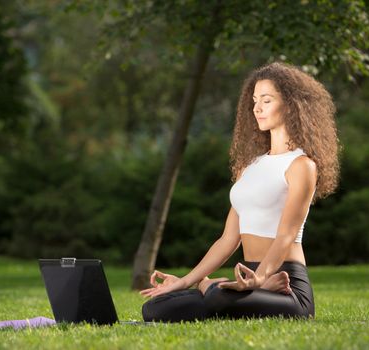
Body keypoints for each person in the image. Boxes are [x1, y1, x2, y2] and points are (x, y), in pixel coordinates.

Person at [139, 62, 339, 322]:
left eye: (266, 100)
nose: (256, 108)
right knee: (157, 308)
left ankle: (219, 288)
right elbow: (227, 240)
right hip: (247, 278)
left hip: (286, 284)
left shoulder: (301, 165)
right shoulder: (250, 167)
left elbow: (286, 235)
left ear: (291, 104)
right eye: (255, 100)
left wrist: (260, 278)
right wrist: (186, 280)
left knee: (216, 297)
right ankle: (212, 286)